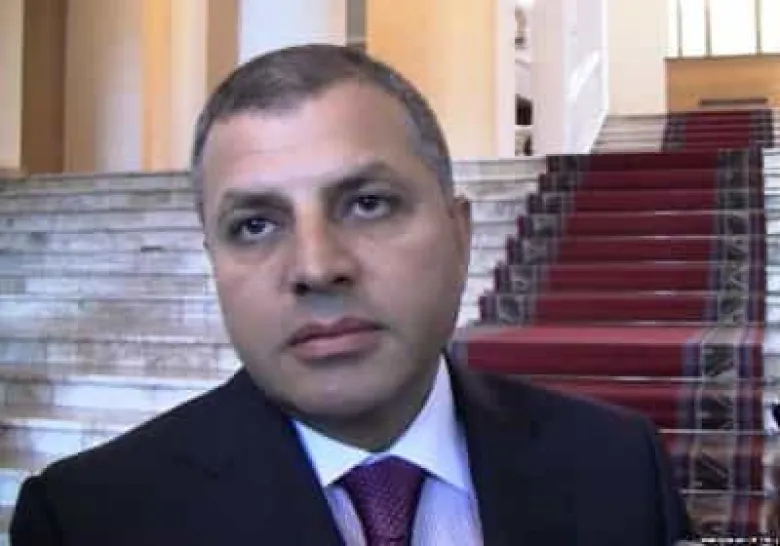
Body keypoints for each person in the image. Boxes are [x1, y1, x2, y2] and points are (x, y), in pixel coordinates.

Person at [11, 44, 694, 545]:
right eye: (255, 225)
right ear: (214, 263)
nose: (316, 267)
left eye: (368, 204)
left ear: (459, 234)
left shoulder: (619, 466)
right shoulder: (87, 520)